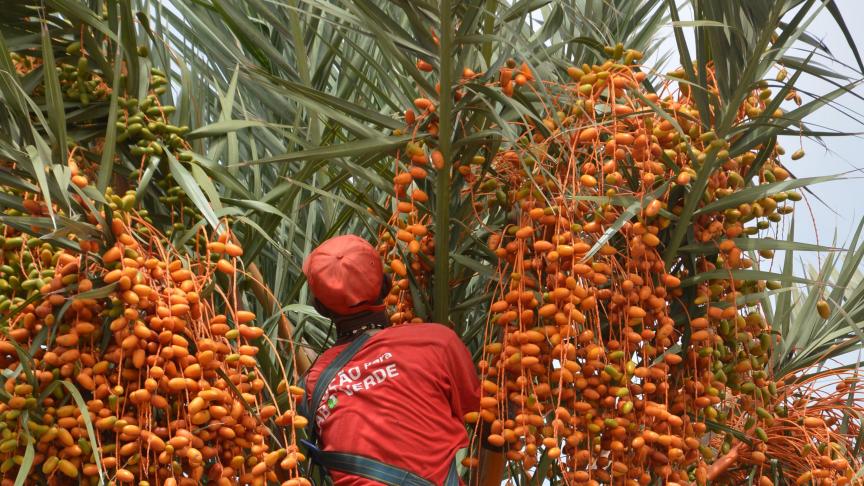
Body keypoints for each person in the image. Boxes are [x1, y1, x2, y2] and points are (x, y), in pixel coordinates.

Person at [298, 235, 482, 486]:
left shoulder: (312, 384)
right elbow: (485, 421)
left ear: (320, 308)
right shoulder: (437, 342)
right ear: (386, 285)